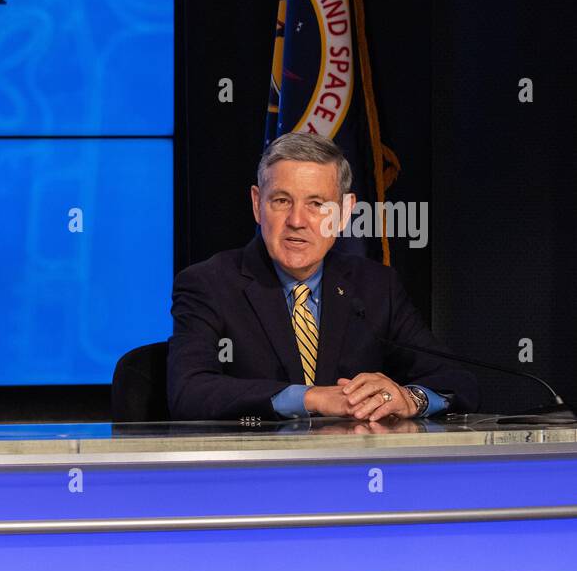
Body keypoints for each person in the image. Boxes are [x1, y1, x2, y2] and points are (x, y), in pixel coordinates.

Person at [166, 132, 479, 421]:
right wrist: (310, 398)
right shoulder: (209, 284)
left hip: (352, 472)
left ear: (344, 213)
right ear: (257, 204)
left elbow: (456, 379)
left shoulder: (375, 286)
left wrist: (411, 399)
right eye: (281, 201)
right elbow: (188, 391)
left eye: (316, 204)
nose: (297, 220)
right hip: (255, 472)